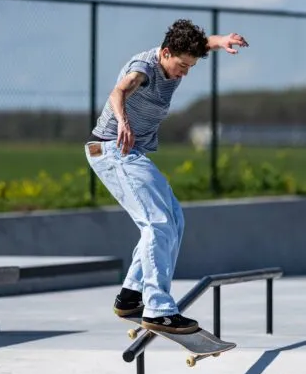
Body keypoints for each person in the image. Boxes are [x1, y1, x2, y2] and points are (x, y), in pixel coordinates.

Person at [85, 19, 249, 335]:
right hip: (112, 150)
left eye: (190, 67)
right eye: (181, 66)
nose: (184, 73)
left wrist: (222, 40)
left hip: (130, 155)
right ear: (164, 53)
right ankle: (158, 309)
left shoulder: (179, 53)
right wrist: (123, 122)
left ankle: (131, 295)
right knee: (156, 223)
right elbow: (119, 91)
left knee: (174, 218)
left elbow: (204, 43)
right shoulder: (143, 69)